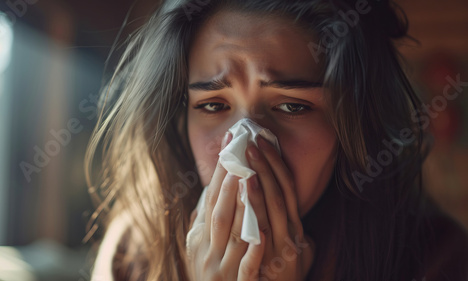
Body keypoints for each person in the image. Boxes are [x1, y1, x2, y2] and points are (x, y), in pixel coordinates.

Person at [85, 0, 468, 280]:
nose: (246, 149)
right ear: (178, 120)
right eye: (214, 104)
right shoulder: (134, 254)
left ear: (350, 126)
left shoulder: (437, 259)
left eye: (292, 107)